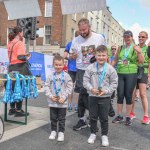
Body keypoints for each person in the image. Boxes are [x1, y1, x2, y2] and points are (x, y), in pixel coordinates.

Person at [70, 18, 106, 131]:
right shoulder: (76, 40)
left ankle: (93, 119)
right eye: (80, 30)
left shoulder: (99, 38)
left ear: (89, 27)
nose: (82, 32)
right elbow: (71, 54)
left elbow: (104, 52)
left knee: (93, 95)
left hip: (95, 70)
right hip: (81, 70)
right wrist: (72, 56)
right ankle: (82, 119)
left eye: (84, 30)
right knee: (82, 96)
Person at [83, 45, 118, 146]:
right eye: (99, 55)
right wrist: (91, 89)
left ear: (107, 56)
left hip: (105, 97)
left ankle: (104, 135)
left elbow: (114, 83)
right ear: (95, 55)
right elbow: (85, 81)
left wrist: (106, 91)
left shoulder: (111, 69)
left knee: (104, 118)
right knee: (93, 117)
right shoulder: (90, 67)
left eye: (103, 55)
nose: (101, 57)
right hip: (92, 97)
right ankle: (93, 133)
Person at [112, 30, 144, 125]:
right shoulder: (120, 47)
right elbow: (115, 60)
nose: (127, 39)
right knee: (120, 94)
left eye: (128, 37)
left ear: (132, 37)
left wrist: (139, 53)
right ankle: (120, 116)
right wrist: (109, 68)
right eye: (125, 37)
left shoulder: (136, 47)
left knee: (129, 95)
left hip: (131, 73)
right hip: (120, 73)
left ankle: (128, 117)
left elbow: (141, 61)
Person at [44, 55, 73, 142]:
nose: (58, 67)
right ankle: (53, 131)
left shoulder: (67, 76)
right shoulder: (50, 76)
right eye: (56, 65)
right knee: (53, 118)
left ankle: (61, 132)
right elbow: (46, 87)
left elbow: (70, 87)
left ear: (63, 65)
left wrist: (64, 97)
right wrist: (51, 96)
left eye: (60, 65)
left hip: (62, 103)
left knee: (61, 118)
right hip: (52, 102)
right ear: (53, 65)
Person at [7, 26, 32, 117]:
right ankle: (18, 110)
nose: (22, 34)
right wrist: (28, 57)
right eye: (22, 32)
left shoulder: (10, 43)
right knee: (20, 88)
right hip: (20, 68)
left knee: (13, 88)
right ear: (19, 33)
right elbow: (21, 57)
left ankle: (12, 109)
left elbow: (14, 56)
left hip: (11, 68)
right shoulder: (20, 43)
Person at [130, 31, 150, 124]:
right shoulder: (134, 47)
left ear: (146, 38)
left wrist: (149, 75)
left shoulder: (148, 49)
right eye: (139, 36)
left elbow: (148, 63)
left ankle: (146, 116)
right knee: (133, 94)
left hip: (144, 72)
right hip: (134, 71)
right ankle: (131, 113)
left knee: (142, 94)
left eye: (143, 37)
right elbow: (131, 59)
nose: (140, 38)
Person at [64, 31, 80, 111]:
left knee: (77, 88)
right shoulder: (70, 44)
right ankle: (70, 104)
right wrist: (70, 57)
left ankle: (76, 105)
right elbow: (64, 56)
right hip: (72, 69)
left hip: (80, 68)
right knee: (71, 87)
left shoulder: (83, 44)